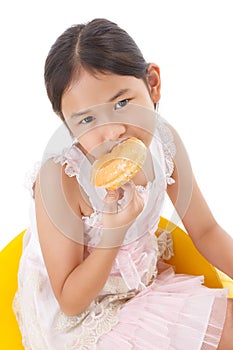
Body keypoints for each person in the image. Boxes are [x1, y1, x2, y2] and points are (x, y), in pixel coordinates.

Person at [13, 18, 233, 350]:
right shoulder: (60, 181)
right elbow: (70, 302)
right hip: (82, 318)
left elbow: (205, 231)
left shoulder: (163, 142)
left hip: (137, 285)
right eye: (87, 120)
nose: (114, 131)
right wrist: (114, 231)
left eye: (122, 103)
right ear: (67, 127)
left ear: (153, 84)